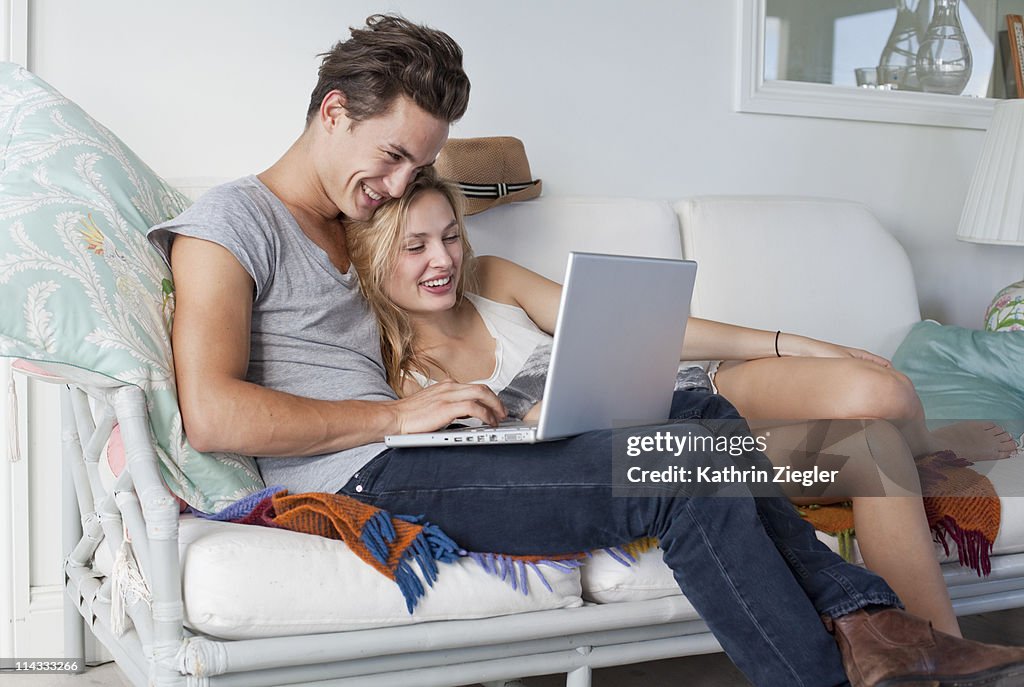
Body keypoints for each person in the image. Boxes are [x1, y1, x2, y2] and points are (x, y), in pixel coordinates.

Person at [148, 14, 1024, 687]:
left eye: (416, 169)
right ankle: (844, 656)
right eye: (389, 158)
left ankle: (876, 628)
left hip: (433, 451)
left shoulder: (366, 220)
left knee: (701, 413)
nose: (395, 186)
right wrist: (395, 411)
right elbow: (213, 411)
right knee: (680, 469)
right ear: (331, 111)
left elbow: (455, 212)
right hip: (367, 473)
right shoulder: (232, 222)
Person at [342, 167, 968, 638]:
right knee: (876, 452)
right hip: (674, 447)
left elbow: (639, 331)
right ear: (373, 256)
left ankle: (939, 455)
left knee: (882, 389)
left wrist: (787, 341)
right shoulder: (391, 367)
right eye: (415, 246)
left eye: (450, 236)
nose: (444, 260)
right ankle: (929, 654)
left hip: (701, 388)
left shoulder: (492, 280)